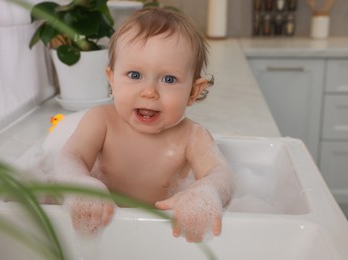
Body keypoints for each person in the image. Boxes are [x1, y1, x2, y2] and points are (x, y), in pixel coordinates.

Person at [54, 7, 234, 243]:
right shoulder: (101, 121)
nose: (149, 92)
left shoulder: (192, 136)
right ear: (112, 79)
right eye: (134, 75)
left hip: (162, 238)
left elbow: (221, 175)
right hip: (105, 232)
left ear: (193, 91)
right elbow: (69, 157)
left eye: (169, 79)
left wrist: (206, 192)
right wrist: (80, 183)